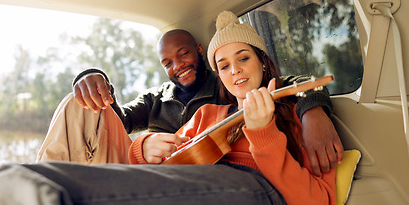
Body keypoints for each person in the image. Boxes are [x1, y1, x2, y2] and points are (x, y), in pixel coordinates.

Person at [0, 10, 335, 205]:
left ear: (261, 59)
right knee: (77, 109)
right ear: (218, 73)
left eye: (243, 58)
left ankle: (20, 192)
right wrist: (140, 147)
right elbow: (164, 166)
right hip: (197, 181)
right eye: (224, 65)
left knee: (20, 186)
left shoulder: (299, 112)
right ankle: (25, 185)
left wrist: (265, 133)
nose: (235, 72)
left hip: (260, 190)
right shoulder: (208, 114)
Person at [37, 27, 342, 176]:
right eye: (167, 62)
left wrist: (313, 108)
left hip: (191, 177)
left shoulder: (226, 84)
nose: (177, 65)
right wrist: (93, 77)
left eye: (183, 54)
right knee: (79, 103)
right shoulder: (155, 99)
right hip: (151, 167)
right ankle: (43, 187)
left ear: (198, 50)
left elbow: (290, 83)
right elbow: (117, 119)